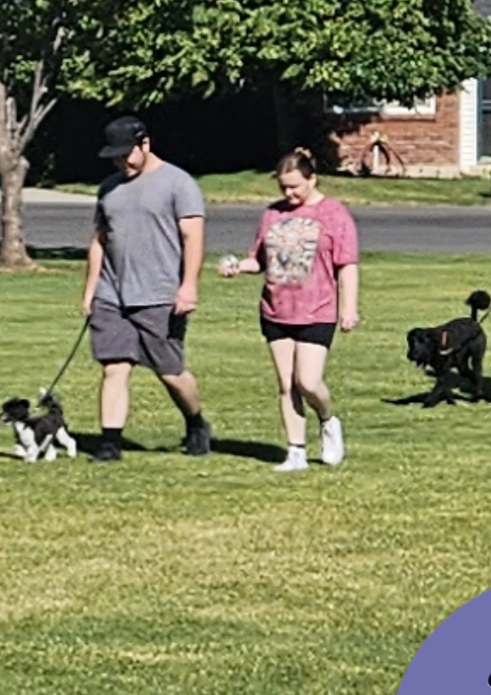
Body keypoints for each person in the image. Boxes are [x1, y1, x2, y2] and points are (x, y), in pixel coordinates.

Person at [216, 148, 358, 472]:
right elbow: (259, 260)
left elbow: (347, 264)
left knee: (308, 381)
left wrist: (349, 307)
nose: (288, 193)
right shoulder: (272, 214)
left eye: (294, 186)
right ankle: (296, 452)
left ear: (312, 179)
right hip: (276, 310)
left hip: (317, 309)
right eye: (283, 187)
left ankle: (328, 420)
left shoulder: (334, 214)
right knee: (286, 384)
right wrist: (238, 266)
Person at [80, 116, 212, 461]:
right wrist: (90, 290)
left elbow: (193, 238)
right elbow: (99, 240)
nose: (120, 162)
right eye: (114, 157)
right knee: (114, 367)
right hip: (112, 295)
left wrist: (189, 286)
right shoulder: (109, 188)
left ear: (145, 144)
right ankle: (110, 443)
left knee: (170, 373)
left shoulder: (178, 183)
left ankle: (196, 421)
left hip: (159, 295)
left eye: (126, 154)